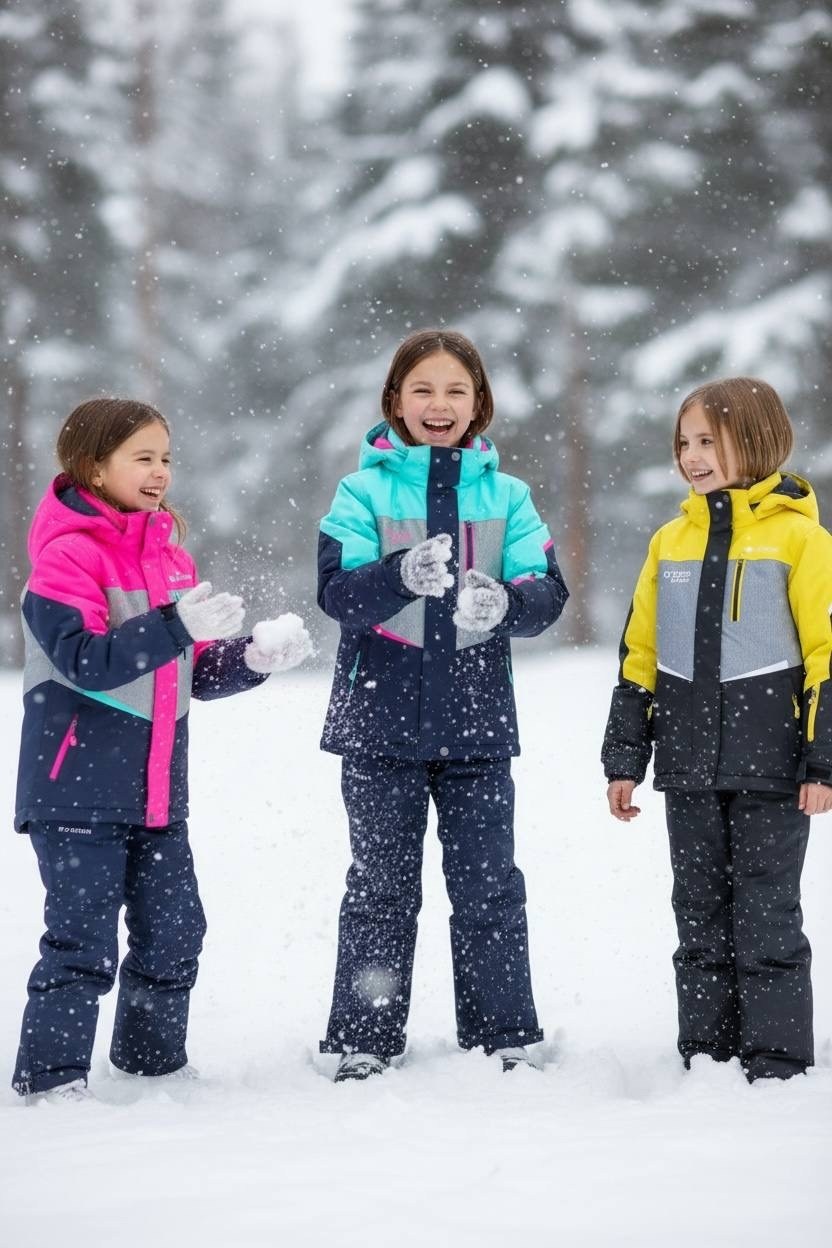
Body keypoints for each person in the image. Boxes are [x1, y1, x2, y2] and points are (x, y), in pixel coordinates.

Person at [12, 397, 313, 1102]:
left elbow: (189, 671)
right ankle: (52, 1082)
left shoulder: (171, 558)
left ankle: (152, 1067)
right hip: (74, 790)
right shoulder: (65, 557)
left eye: (166, 458)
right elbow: (84, 661)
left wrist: (251, 658)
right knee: (82, 942)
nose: (159, 472)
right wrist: (176, 625)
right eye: (142, 458)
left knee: (175, 932)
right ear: (94, 467)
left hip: (156, 792)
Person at [317, 328, 569, 1081]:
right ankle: (365, 1037)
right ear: (394, 400)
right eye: (422, 388)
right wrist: (398, 574)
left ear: (478, 402)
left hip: (476, 725)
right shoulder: (361, 493)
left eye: (456, 390)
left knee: (489, 886)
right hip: (378, 725)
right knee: (381, 889)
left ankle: (503, 1033)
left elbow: (547, 591)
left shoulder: (508, 496)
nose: (439, 403)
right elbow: (337, 594)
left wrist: (507, 603)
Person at [602, 377, 832, 1082]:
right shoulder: (670, 541)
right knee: (698, 917)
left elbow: (826, 654)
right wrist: (624, 758)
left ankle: (777, 1063)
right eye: (684, 442)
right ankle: (707, 1058)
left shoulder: (802, 539)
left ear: (756, 442)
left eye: (709, 440)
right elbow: (640, 655)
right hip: (689, 768)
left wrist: (822, 763)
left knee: (767, 919)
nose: (692, 456)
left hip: (773, 773)